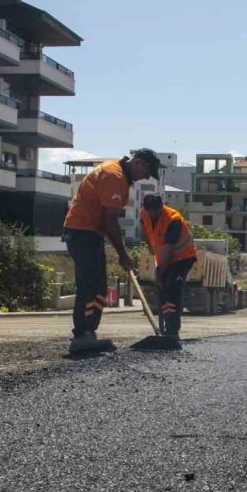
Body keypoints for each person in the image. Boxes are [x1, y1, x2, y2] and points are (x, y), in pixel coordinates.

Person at [62, 149, 160, 353]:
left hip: (89, 233)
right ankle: (82, 335)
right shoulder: (114, 176)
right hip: (82, 233)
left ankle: (88, 332)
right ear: (139, 163)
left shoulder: (118, 174)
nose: (144, 178)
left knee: (98, 287)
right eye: (146, 173)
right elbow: (110, 221)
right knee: (90, 285)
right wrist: (123, 254)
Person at [139, 194, 197, 341]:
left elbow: (169, 250)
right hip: (164, 256)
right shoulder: (143, 213)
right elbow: (145, 231)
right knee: (163, 290)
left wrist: (159, 271)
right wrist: (151, 250)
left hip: (183, 257)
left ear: (161, 208)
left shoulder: (173, 220)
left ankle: (172, 331)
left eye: (155, 212)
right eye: (149, 212)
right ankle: (165, 328)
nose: (151, 215)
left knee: (172, 288)